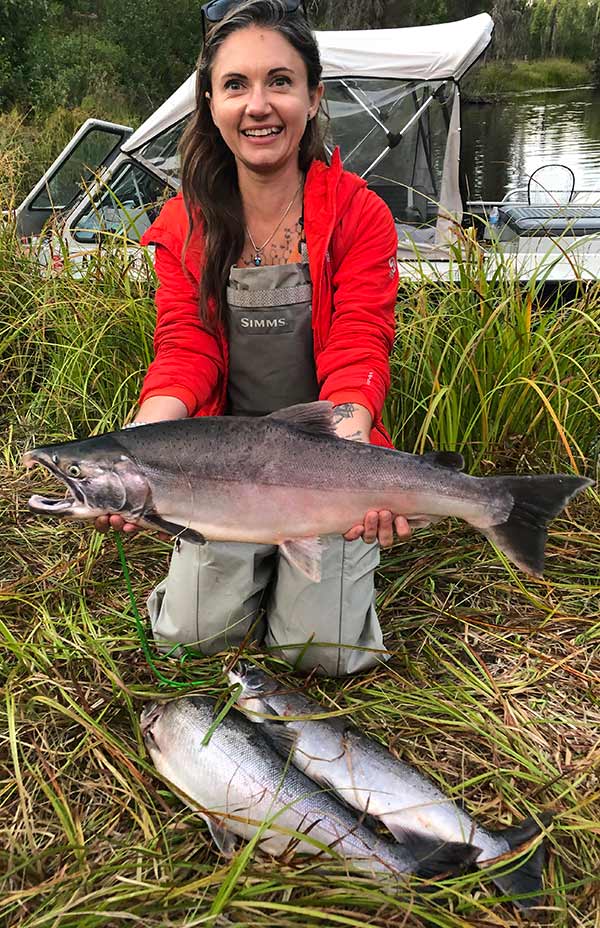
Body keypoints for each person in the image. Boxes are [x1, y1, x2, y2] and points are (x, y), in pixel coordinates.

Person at [96, 0, 410, 676]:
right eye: (236, 84)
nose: (258, 104)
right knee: (188, 643)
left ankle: (304, 587)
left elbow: (360, 346)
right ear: (210, 103)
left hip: (327, 460)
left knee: (320, 654)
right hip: (223, 471)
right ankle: (239, 573)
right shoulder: (184, 223)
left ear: (313, 96)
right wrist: (141, 449)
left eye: (280, 81)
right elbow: (185, 349)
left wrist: (357, 462)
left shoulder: (360, 214)